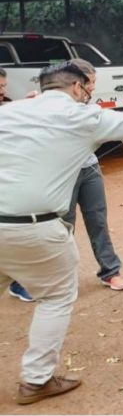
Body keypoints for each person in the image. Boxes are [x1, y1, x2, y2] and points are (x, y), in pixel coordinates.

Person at [0, 61, 123, 404]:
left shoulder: (11, 112)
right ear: (78, 88)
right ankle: (35, 380)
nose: (90, 93)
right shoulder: (82, 116)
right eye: (89, 87)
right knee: (56, 296)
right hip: (36, 228)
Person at [57, 60, 123, 291]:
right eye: (92, 83)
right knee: (64, 225)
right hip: (64, 173)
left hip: (89, 169)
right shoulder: (54, 106)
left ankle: (110, 271)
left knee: (98, 220)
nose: (94, 88)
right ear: (78, 84)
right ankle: (60, 278)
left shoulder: (89, 106)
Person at [1, 67, 35, 303]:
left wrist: (26, 105)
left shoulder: (9, 106)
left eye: (3, 86)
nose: (3, 91)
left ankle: (18, 282)